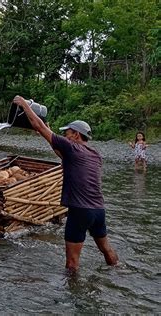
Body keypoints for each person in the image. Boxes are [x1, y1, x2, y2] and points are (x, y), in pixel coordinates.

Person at [12, 95, 118, 274]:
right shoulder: (94, 154)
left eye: (66, 133)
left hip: (80, 210)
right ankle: (118, 272)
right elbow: (62, 154)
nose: (64, 136)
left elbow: (37, 125)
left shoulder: (70, 147)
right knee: (106, 249)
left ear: (76, 135)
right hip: (99, 211)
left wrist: (24, 104)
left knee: (71, 264)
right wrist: (47, 133)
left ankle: (74, 296)